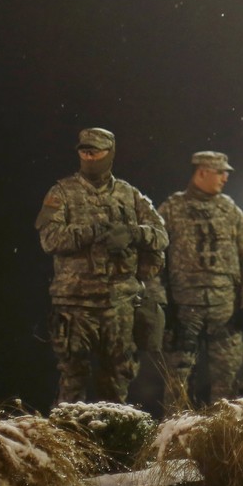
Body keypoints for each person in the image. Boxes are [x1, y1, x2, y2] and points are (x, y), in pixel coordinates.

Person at [36, 127, 168, 404]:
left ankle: (112, 445)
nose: (89, 156)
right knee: (73, 381)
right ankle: (70, 443)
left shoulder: (130, 195)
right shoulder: (62, 192)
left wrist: (133, 233)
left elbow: (161, 235)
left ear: (110, 154)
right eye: (84, 151)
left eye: (95, 151)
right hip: (75, 305)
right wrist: (92, 232)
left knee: (117, 380)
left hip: (118, 303)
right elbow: (49, 238)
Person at [156, 150, 243, 406]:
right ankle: (176, 437)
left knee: (227, 380)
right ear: (202, 172)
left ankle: (222, 438)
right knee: (178, 381)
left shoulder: (229, 211)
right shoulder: (171, 210)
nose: (225, 178)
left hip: (224, 311)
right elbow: (155, 259)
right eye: (220, 172)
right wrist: (161, 303)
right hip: (183, 310)